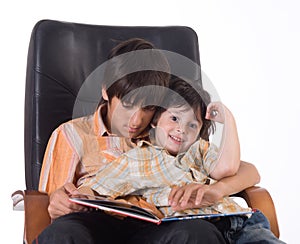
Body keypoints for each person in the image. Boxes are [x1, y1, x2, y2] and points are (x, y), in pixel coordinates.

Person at [35, 38, 257, 244]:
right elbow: (49, 204)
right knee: (64, 233)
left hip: (159, 225)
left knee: (197, 233)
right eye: (128, 104)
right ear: (105, 91)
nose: (137, 120)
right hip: (97, 228)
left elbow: (243, 170)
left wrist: (216, 190)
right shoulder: (72, 134)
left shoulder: (166, 132)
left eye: (148, 108)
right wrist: (59, 202)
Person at [81, 76, 285, 243]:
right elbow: (97, 186)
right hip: (191, 229)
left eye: (192, 125)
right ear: (155, 121)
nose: (181, 129)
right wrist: (79, 195)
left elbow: (227, 169)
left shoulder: (199, 150)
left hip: (240, 223)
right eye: (174, 118)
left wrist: (229, 121)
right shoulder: (136, 159)